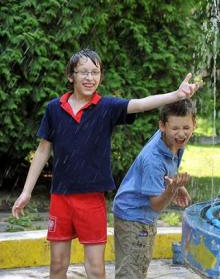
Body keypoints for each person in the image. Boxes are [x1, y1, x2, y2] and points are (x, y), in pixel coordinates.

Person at [11, 49, 200, 279]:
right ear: (71, 76)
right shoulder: (54, 109)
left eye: (95, 72)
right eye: (84, 72)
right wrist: (26, 192)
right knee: (58, 266)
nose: (90, 78)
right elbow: (42, 150)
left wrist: (176, 95)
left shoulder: (106, 107)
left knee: (96, 269)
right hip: (60, 197)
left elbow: (140, 104)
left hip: (91, 200)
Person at [112, 99, 195, 279]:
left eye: (186, 128)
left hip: (137, 214)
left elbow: (168, 168)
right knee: (131, 272)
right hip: (134, 217)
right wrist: (172, 188)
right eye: (175, 128)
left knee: (138, 266)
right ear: (162, 126)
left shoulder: (174, 143)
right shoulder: (153, 160)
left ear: (194, 124)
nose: (181, 134)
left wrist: (174, 182)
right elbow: (156, 205)